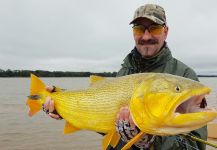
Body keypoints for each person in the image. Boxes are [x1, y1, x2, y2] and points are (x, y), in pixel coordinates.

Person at [43, 4, 207, 150]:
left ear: (166, 31)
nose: (146, 36)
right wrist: (62, 104)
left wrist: (149, 142)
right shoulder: (124, 72)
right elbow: (106, 122)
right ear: (133, 33)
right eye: (139, 29)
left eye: (155, 28)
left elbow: (196, 146)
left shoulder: (185, 75)